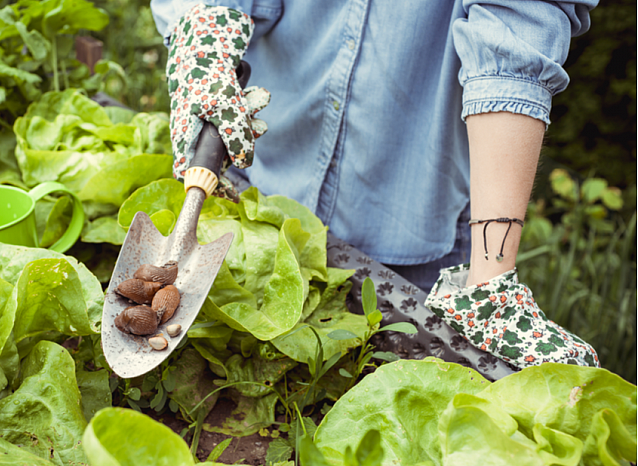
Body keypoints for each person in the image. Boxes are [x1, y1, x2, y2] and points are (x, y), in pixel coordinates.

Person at [151, 1, 600, 369]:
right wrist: (205, 34)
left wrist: (491, 280)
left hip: (416, 228)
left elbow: (514, 35)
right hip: (258, 183)